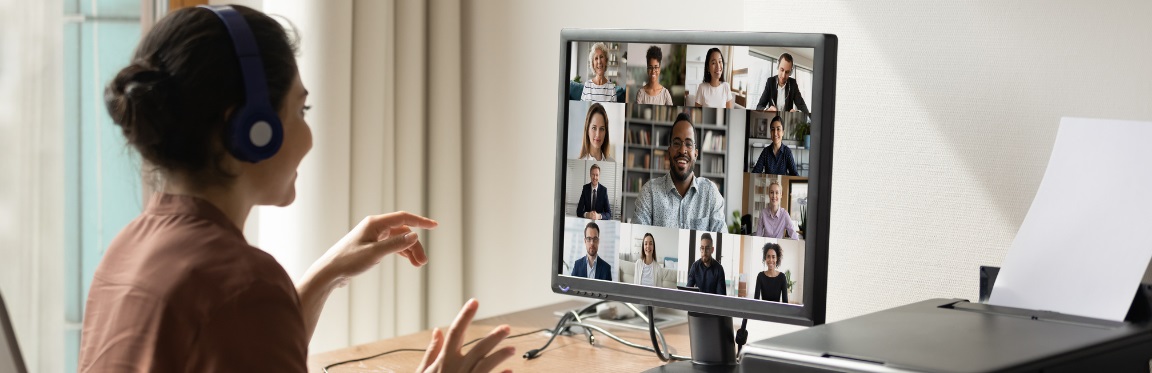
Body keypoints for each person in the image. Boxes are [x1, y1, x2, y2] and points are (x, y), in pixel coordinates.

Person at [78, 6, 513, 372]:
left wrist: (327, 274)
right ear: (251, 130)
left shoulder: (126, 251)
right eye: (300, 109)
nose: (308, 136)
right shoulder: (242, 287)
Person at [634, 113, 726, 232]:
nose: (683, 150)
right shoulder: (649, 192)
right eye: (677, 143)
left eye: (688, 144)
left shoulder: (710, 193)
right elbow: (639, 242)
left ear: (696, 154)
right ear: (669, 152)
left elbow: (722, 242)